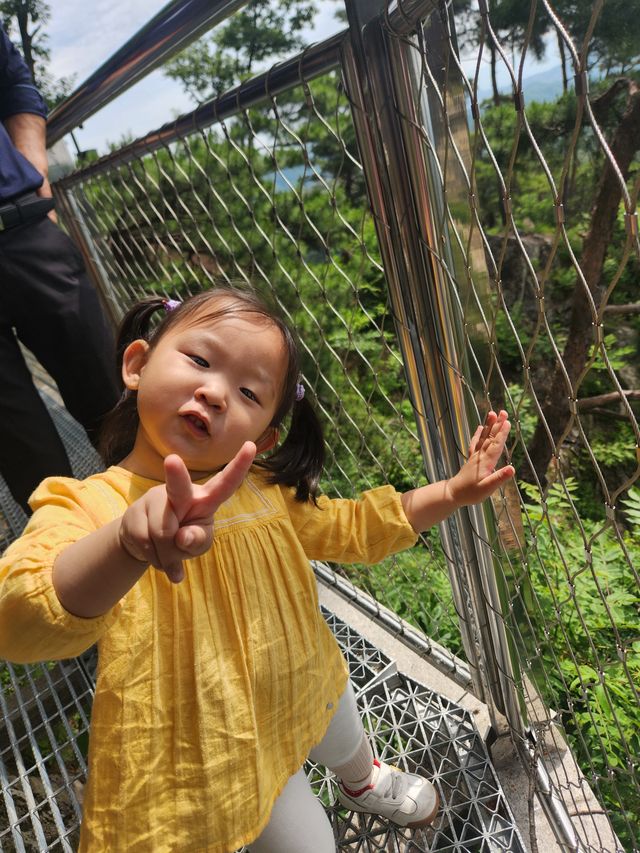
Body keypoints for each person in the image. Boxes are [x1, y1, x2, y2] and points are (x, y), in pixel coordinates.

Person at [0, 288, 515, 852]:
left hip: (303, 683)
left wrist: (451, 490)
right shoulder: (90, 506)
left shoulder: (266, 492)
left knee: (341, 725)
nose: (215, 392)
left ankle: (361, 780)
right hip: (222, 756)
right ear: (137, 364)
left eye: (248, 392)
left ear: (263, 437)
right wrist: (125, 545)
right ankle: (342, 780)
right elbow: (20, 616)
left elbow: (353, 527)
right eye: (199, 360)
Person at [0, 24, 119, 514]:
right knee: (23, 450)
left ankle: (182, 546)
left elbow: (13, 81)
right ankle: (79, 574)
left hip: (22, 224)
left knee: (118, 407)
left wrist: (37, 180)